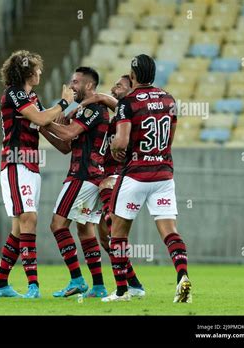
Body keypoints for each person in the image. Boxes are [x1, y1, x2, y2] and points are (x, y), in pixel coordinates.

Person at [101, 54, 191, 303]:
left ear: (133, 76)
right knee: (170, 232)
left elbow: (121, 141)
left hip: (136, 176)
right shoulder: (168, 98)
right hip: (163, 174)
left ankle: (121, 291)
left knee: (117, 234)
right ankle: (182, 276)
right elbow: (170, 136)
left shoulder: (128, 102)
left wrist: (115, 149)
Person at [0, 50, 74, 298]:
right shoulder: (14, 93)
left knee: (19, 227)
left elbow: (45, 124)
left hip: (31, 165)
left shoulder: (31, 97)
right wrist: (64, 102)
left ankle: (0, 285)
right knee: (29, 218)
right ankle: (33, 286)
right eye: (37, 68)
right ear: (27, 71)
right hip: (16, 162)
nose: (40, 72)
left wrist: (69, 136)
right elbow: (39, 117)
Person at [41, 67, 109, 298]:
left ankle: (77, 279)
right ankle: (99, 286)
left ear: (89, 86)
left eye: (76, 82)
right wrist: (42, 126)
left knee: (57, 225)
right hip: (90, 177)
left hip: (83, 176)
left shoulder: (95, 110)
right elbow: (65, 146)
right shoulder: (82, 111)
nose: (72, 86)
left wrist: (41, 117)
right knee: (84, 229)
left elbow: (69, 134)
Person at [80, 75, 145, 298]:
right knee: (105, 239)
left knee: (111, 229)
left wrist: (71, 105)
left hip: (119, 177)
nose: (114, 87)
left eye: (119, 85)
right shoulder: (117, 116)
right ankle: (134, 284)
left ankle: (122, 290)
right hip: (105, 176)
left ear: (131, 91)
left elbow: (101, 97)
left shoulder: (131, 110)